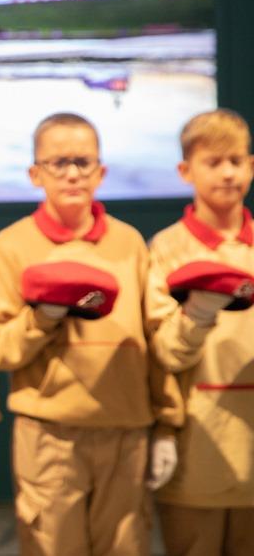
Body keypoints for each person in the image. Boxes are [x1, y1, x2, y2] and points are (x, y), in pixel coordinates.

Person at [0, 112, 183, 556]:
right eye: (58, 162)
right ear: (35, 173)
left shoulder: (130, 243)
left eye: (83, 161)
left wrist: (167, 424)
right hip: (49, 436)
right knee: (52, 545)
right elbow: (1, 349)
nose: (72, 173)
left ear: (101, 171)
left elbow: (153, 339)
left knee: (126, 545)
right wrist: (43, 318)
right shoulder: (11, 246)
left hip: (126, 430)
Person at [145, 109, 254, 555]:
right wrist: (198, 314)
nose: (228, 173)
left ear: (251, 166)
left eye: (236, 161)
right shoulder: (167, 248)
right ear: (185, 170)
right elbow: (166, 352)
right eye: (213, 162)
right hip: (197, 442)